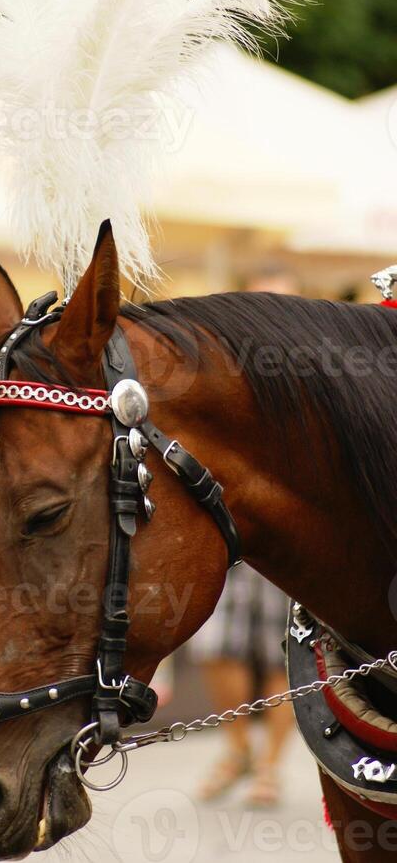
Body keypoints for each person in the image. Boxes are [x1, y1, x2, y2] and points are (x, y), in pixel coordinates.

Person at [191, 266, 299, 807]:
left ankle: (271, 769)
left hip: (286, 537)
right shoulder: (224, 370)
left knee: (286, 656)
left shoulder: (311, 374)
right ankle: (237, 751)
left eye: (283, 304)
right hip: (229, 530)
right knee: (216, 647)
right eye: (262, 304)